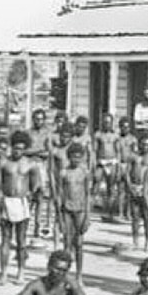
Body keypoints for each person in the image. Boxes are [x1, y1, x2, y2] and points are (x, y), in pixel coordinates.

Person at [0, 130, 40, 284]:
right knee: (5, 240)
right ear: (11, 147)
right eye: (15, 148)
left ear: (25, 149)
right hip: (7, 201)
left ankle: (20, 273)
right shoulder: (4, 163)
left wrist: (31, 194)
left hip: (21, 202)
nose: (17, 151)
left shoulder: (30, 164)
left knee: (21, 241)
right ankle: (3, 274)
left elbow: (36, 184)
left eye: (21, 148)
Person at [57, 143, 91, 284]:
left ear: (82, 158)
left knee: (79, 243)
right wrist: (59, 216)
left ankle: (79, 274)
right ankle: (65, 274)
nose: (76, 160)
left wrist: (88, 216)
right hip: (67, 209)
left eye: (78, 157)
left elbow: (88, 195)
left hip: (80, 209)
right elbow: (59, 194)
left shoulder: (85, 172)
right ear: (68, 157)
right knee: (66, 243)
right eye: (73, 157)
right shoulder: (63, 172)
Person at [27, 108, 53, 238]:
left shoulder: (47, 134)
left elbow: (48, 152)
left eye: (41, 119)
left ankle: (37, 226)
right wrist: (37, 151)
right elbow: (25, 151)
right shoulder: (28, 133)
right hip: (29, 165)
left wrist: (36, 152)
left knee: (40, 197)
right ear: (33, 120)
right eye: (36, 119)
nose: (39, 121)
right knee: (28, 197)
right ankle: (25, 223)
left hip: (41, 165)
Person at [126, 133, 148, 249]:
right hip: (135, 187)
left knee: (147, 217)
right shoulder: (133, 156)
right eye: (143, 144)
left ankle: (147, 241)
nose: (145, 147)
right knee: (135, 216)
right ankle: (135, 241)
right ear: (139, 144)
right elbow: (127, 173)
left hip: (147, 189)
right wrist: (130, 187)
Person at [94, 113, 120, 219]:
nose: (107, 124)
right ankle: (96, 208)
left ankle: (110, 212)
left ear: (112, 123)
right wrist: (94, 163)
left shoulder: (115, 136)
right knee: (96, 182)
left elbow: (118, 151)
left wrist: (117, 165)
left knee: (111, 188)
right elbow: (95, 150)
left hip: (112, 162)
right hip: (101, 162)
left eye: (109, 122)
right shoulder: (98, 135)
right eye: (105, 122)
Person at [116, 116, 138, 221]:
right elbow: (118, 153)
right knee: (121, 190)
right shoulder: (118, 139)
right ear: (120, 127)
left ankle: (128, 213)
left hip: (130, 165)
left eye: (127, 127)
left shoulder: (133, 139)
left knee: (129, 190)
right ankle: (120, 212)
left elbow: (134, 153)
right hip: (121, 164)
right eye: (123, 127)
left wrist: (131, 166)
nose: (125, 129)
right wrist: (119, 165)